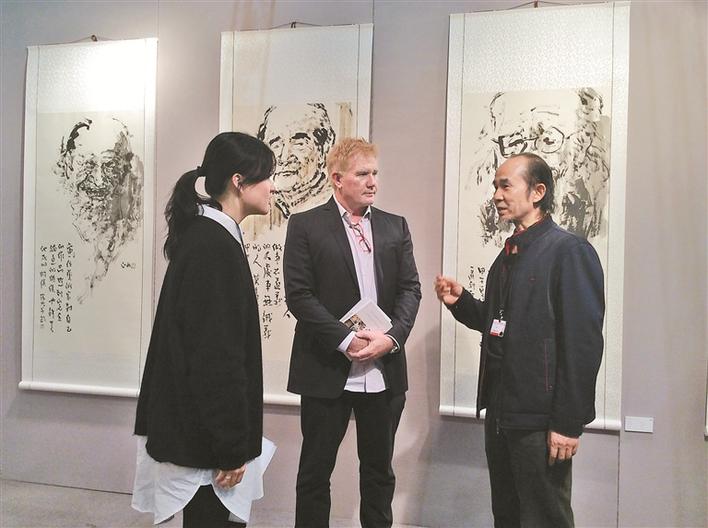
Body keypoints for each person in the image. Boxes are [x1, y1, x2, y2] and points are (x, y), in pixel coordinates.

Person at [435, 152, 604, 527]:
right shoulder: (509, 254)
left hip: (539, 420)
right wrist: (461, 302)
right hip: (502, 413)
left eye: (505, 186)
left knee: (545, 517)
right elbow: (502, 324)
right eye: (495, 186)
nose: (496, 195)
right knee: (507, 515)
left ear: (538, 192)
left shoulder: (569, 252)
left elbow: (583, 345)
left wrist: (568, 423)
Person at [132, 132, 276, 527]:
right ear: (238, 181)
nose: (273, 186)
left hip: (199, 430)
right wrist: (231, 447)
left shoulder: (207, 236)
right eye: (267, 176)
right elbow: (216, 357)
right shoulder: (213, 247)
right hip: (205, 439)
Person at [283, 137, 421, 527]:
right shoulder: (306, 225)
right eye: (362, 174)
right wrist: (346, 340)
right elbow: (299, 296)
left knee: (379, 472)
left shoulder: (395, 226)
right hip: (326, 366)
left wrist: (390, 338)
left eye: (375, 173)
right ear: (337, 178)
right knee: (315, 472)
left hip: (383, 368)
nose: (372, 182)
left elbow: (410, 289)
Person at [256, 103, 336, 230]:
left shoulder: (337, 206)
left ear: (324, 149)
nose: (284, 157)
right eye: (276, 144)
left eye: (299, 143)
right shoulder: (257, 210)